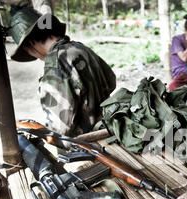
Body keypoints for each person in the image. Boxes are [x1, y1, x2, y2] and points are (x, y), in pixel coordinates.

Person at [8, 6, 116, 136]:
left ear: (29, 43)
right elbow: (111, 82)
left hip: (87, 144)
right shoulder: (80, 48)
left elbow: (60, 128)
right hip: (109, 131)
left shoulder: (56, 64)